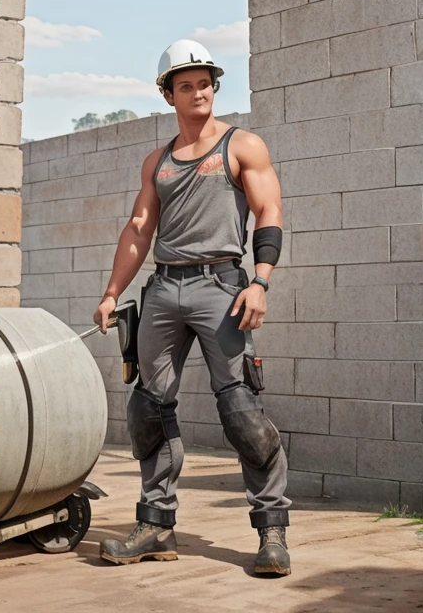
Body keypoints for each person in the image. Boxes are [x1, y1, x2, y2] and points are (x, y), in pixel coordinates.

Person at [93, 39, 291, 575]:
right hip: (162, 291)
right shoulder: (156, 162)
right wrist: (114, 292)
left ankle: (272, 531)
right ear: (168, 95)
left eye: (205, 82)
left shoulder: (241, 145)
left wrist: (261, 282)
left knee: (241, 411)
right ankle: (157, 526)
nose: (198, 91)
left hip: (221, 287)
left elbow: (268, 208)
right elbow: (139, 229)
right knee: (147, 410)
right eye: (186, 85)